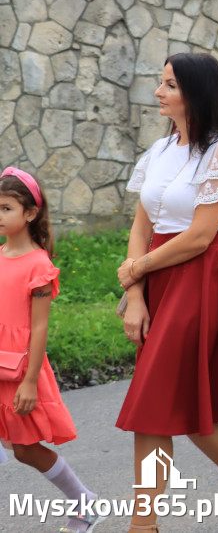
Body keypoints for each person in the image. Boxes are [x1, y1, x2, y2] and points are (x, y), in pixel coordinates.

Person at [115, 54, 218, 531]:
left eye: (169, 84)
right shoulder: (161, 150)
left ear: (195, 92)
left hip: (200, 275)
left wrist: (135, 270)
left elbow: (201, 235)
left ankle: (142, 525)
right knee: (178, 407)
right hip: (161, 277)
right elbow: (141, 225)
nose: (158, 92)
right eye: (160, 82)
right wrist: (139, 292)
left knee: (160, 405)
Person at [0, 169, 106, 533]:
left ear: (30, 213)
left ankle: (84, 500)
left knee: (25, 449)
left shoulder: (39, 266)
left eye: (6, 208)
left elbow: (39, 327)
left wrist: (30, 382)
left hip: (18, 370)